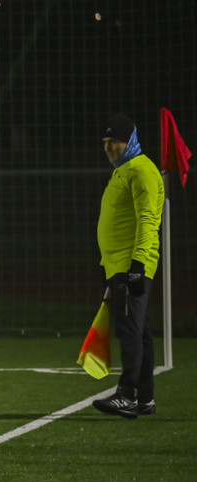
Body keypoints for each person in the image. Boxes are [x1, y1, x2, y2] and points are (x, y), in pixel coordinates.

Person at [91, 114, 163, 419]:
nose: (108, 148)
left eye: (114, 142)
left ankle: (128, 394)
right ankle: (144, 398)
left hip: (131, 263)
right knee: (139, 330)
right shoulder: (125, 170)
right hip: (120, 264)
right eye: (105, 142)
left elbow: (148, 219)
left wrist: (137, 263)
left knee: (129, 329)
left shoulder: (141, 170)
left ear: (129, 141)